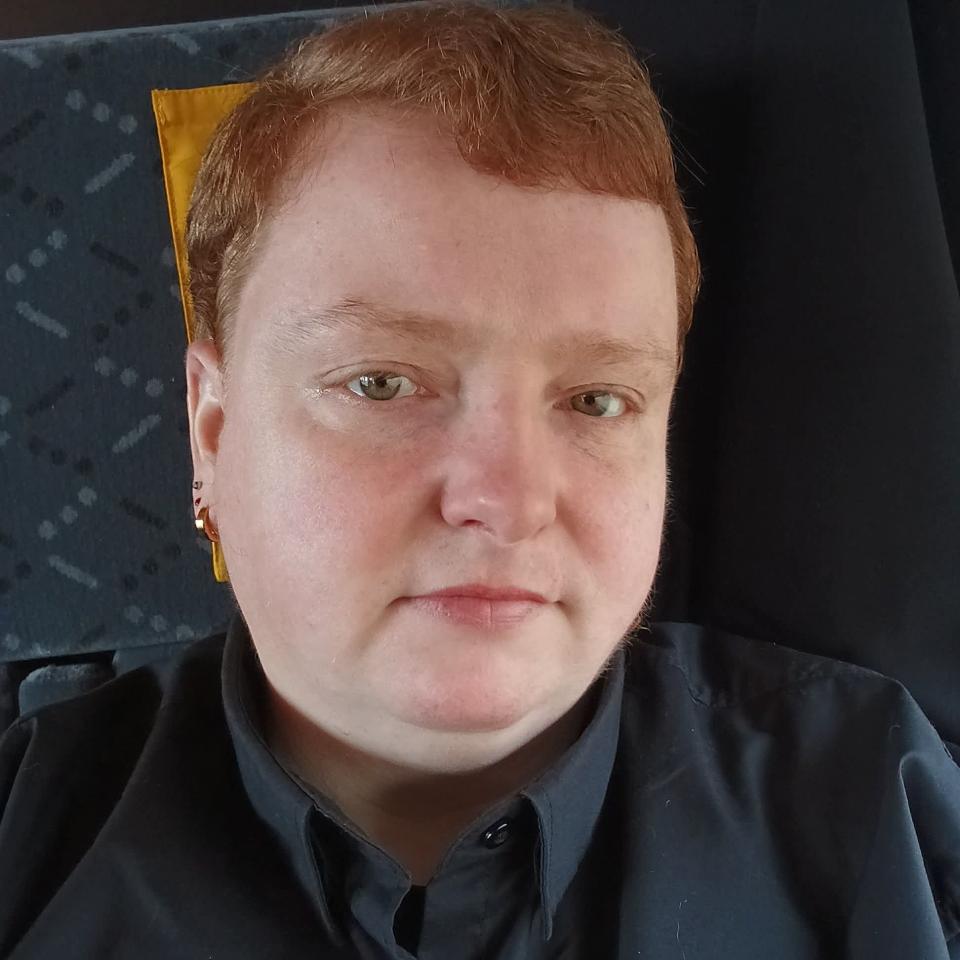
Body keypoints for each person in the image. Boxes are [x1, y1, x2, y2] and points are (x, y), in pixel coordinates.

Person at [2, 2, 958, 958]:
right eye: (381, 384)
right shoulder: (27, 837)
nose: (508, 503)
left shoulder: (881, 810)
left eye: (597, 401)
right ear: (212, 431)